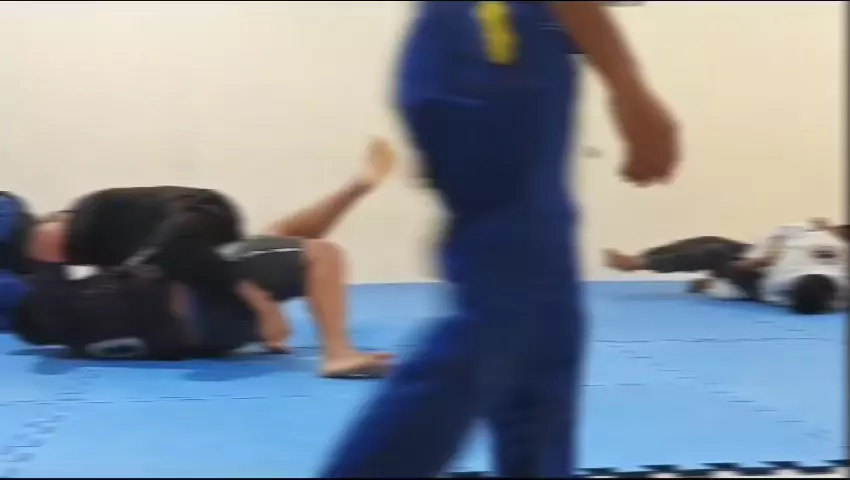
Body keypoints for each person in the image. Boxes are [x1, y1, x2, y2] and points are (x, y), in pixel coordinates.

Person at [321, 2, 679, 477]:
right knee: (509, 311)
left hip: (503, 47)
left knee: (546, 332)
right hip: (499, 40)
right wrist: (628, 89)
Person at [3, 138, 396, 378]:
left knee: (277, 243)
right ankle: (338, 353)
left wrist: (257, 305)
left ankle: (354, 189)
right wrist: (259, 302)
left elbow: (178, 250)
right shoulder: (100, 236)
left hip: (207, 339)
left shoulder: (99, 238)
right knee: (320, 255)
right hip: (204, 320)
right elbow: (177, 252)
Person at [605, 219, 848, 314]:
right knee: (709, 240)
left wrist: (759, 261)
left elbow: (753, 281)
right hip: (770, 254)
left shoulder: (780, 287)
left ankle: (639, 263)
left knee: (715, 252)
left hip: (759, 274)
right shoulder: (841, 280)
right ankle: (641, 258)